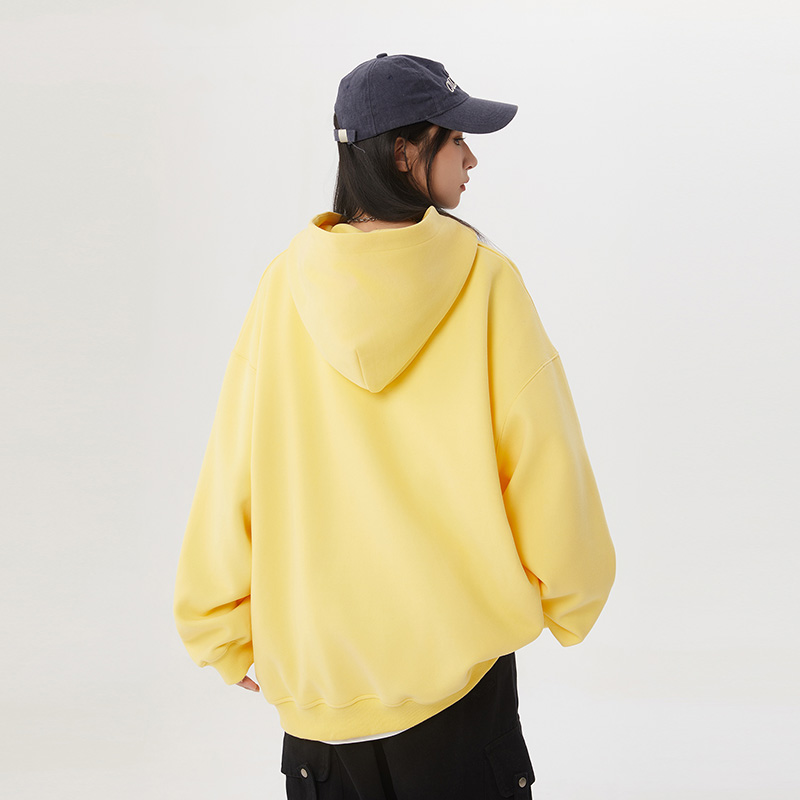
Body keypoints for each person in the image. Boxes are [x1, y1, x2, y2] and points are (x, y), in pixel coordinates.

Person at [173, 53, 616, 799]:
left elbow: (232, 469)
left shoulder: (284, 287)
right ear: (405, 152)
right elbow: (543, 459)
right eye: (456, 139)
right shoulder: (484, 280)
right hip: (458, 693)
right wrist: (571, 595)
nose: (472, 158)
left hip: (318, 708)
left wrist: (219, 626)